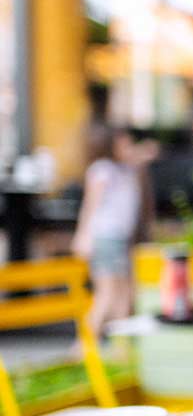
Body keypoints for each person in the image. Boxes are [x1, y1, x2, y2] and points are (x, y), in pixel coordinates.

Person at [72, 124, 157, 338]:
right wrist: (83, 236)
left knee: (125, 296)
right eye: (124, 143)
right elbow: (90, 205)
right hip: (106, 238)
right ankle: (83, 348)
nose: (128, 147)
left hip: (120, 238)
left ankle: (120, 350)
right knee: (107, 293)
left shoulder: (125, 169)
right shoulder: (102, 169)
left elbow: (145, 155)